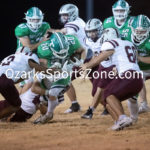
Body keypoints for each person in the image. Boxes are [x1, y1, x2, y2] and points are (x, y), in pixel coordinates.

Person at [81, 28, 143, 131]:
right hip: (138, 79)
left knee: (108, 94)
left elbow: (103, 56)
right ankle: (118, 122)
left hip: (128, 76)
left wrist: (87, 65)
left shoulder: (110, 44)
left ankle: (123, 118)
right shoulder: (128, 43)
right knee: (107, 98)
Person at [32, 32, 86, 123]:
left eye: (65, 51)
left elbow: (83, 50)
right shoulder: (43, 49)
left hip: (65, 70)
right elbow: (40, 66)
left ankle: (49, 114)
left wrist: (81, 61)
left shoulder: (72, 41)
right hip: (50, 71)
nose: (63, 54)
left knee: (52, 93)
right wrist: (50, 70)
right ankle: (49, 107)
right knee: (42, 100)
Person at [0, 51, 57, 120]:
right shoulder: (32, 56)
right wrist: (53, 71)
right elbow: (36, 66)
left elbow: (14, 79)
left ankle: (4, 116)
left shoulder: (16, 58)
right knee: (16, 105)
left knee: (11, 102)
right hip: (4, 79)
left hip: (4, 78)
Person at [53, 4, 86, 113]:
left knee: (61, 78)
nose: (64, 17)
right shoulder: (79, 21)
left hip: (80, 57)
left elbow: (72, 40)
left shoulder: (72, 25)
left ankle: (66, 101)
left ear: (73, 14)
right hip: (87, 54)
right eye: (62, 15)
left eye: (66, 15)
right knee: (98, 83)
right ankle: (74, 104)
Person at [127, 14, 150, 113]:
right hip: (139, 68)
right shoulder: (126, 36)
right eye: (137, 31)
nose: (139, 33)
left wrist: (139, 58)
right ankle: (144, 104)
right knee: (138, 78)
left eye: (143, 31)